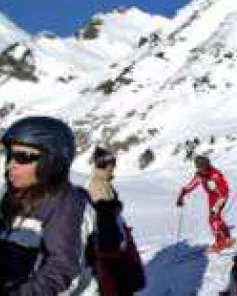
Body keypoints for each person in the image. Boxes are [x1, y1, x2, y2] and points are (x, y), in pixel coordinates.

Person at [0, 116, 98, 294]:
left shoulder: (67, 206)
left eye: (23, 157)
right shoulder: (13, 198)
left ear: (51, 162)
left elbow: (63, 272)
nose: (11, 165)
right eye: (10, 155)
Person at [87, 147, 146, 296]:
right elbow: (103, 217)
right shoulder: (98, 184)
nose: (114, 167)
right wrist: (118, 238)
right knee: (118, 282)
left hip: (112, 241)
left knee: (120, 281)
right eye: (112, 164)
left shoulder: (103, 181)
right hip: (109, 245)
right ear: (105, 164)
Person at [177, 154, 233, 253]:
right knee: (216, 218)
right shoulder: (200, 174)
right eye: (198, 167)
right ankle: (227, 237)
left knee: (213, 219)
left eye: (202, 167)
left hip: (221, 196)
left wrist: (217, 205)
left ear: (207, 165)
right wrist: (183, 193)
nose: (200, 170)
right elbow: (192, 184)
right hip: (212, 196)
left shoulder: (215, 175)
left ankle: (221, 242)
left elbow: (224, 191)